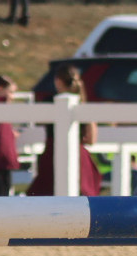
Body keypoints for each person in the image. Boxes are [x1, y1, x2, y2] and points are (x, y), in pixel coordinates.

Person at [29, 63, 109, 197]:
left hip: (53, 153)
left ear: (58, 81)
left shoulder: (50, 101)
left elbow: (37, 120)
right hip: (80, 155)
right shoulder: (82, 103)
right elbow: (91, 139)